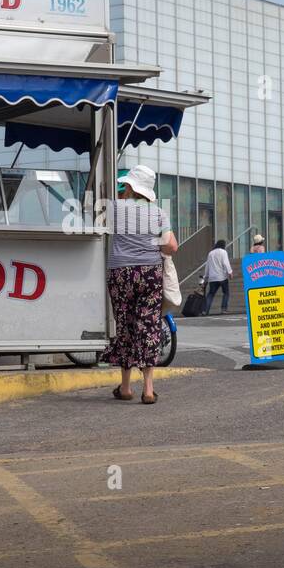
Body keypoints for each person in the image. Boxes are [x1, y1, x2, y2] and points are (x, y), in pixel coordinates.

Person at [101, 165, 177, 405]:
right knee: (148, 327)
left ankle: (125, 387)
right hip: (149, 273)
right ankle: (148, 389)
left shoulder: (115, 207)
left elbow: (93, 223)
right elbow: (171, 246)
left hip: (120, 273)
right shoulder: (158, 213)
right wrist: (150, 241)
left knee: (124, 325)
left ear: (131, 186)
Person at [203, 239, 233, 315]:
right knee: (226, 293)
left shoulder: (210, 253)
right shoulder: (223, 252)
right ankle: (224, 309)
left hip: (212, 278)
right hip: (222, 277)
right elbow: (226, 263)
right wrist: (230, 272)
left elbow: (207, 266)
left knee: (210, 294)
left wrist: (206, 277)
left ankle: (205, 310)